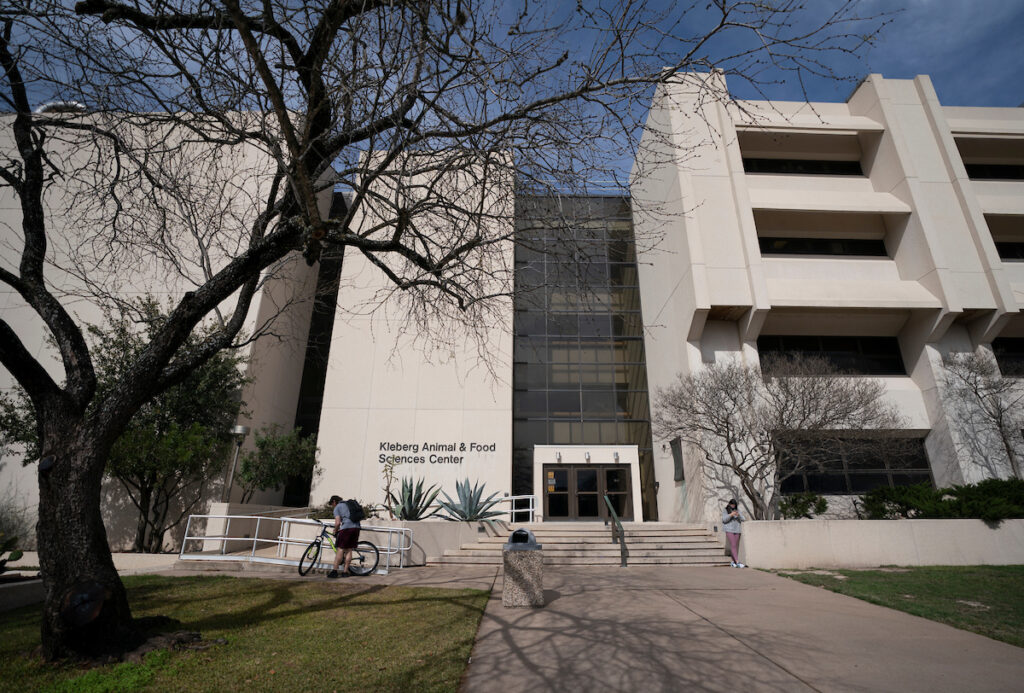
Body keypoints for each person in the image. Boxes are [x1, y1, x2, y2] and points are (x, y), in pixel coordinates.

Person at [327, 494, 360, 578]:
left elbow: (337, 522)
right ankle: (345, 572)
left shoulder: (338, 507)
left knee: (340, 549)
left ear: (334, 501)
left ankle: (334, 571)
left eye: (332, 504)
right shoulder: (347, 504)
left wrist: (335, 530)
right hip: (356, 528)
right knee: (349, 549)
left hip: (346, 529)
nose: (332, 506)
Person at [722, 498, 746, 568]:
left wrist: (738, 515)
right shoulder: (725, 510)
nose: (733, 506)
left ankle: (733, 562)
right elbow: (724, 520)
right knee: (733, 545)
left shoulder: (737, 510)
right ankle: (737, 562)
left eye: (734, 505)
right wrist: (731, 515)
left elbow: (743, 519)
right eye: (732, 504)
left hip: (737, 530)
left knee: (735, 546)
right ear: (729, 504)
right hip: (729, 530)